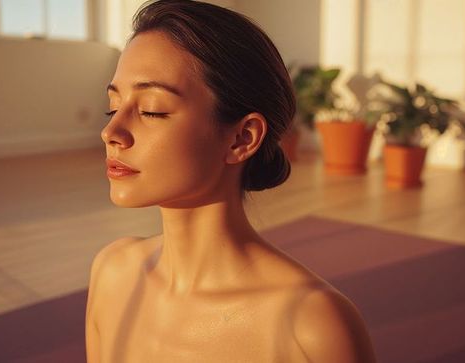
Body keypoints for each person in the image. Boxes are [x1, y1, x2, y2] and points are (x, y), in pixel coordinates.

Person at [85, 1, 376, 362]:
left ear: (242, 138)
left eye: (151, 110)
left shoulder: (311, 327)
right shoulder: (112, 272)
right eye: (113, 108)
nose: (110, 131)